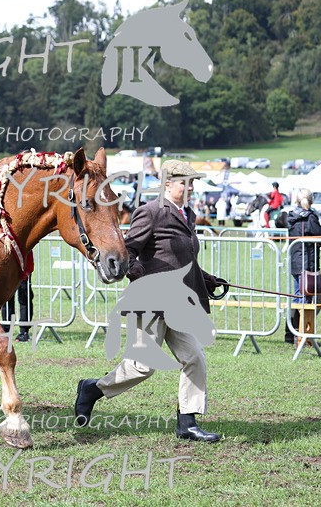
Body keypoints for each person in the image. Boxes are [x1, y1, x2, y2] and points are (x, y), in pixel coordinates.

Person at [74, 160, 226, 442]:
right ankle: (92, 389)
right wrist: (135, 269)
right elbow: (128, 250)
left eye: (191, 183)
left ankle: (187, 423)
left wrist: (206, 278)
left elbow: (183, 258)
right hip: (152, 302)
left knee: (194, 357)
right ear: (167, 183)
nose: (190, 187)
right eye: (184, 182)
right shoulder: (152, 212)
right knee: (142, 367)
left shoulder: (187, 214)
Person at [285, 188, 321, 343]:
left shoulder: (291, 216)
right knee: (305, 298)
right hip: (307, 262)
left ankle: (291, 334)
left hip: (296, 261)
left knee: (297, 296)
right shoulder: (310, 218)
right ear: (312, 200)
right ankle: (301, 336)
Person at [1, 277, 34, 342]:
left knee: (24, 296)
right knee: (6, 297)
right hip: (7, 269)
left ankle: (23, 331)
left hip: (23, 270)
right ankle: (6, 329)